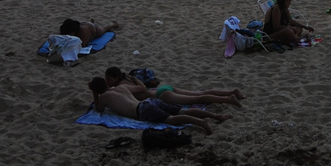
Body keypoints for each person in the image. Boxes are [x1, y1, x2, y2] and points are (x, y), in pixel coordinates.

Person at [88, 78, 223, 130]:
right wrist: (133, 79)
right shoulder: (121, 87)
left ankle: (202, 123)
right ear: (106, 83)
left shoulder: (104, 97)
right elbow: (141, 88)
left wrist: (95, 94)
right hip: (148, 101)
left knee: (172, 119)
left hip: (141, 110)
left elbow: (99, 109)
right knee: (182, 111)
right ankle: (215, 116)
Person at [101, 67, 241, 106]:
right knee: (199, 93)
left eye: (108, 79)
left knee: (197, 98)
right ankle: (231, 92)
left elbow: (142, 89)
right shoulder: (129, 79)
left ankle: (229, 99)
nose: (107, 82)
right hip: (163, 89)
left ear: (115, 78)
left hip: (161, 95)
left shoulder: (122, 86)